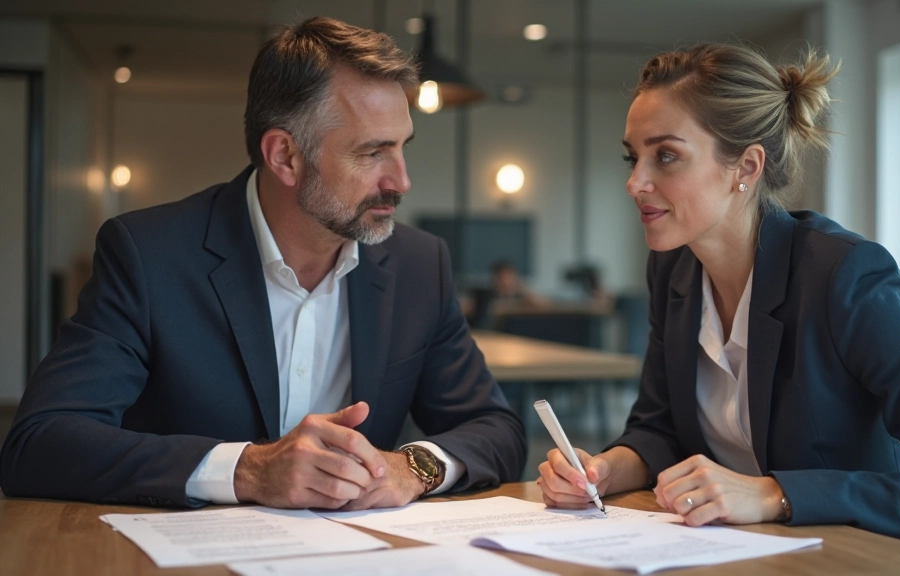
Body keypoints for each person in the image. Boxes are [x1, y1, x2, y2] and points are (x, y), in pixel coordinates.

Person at [0, 17, 525, 510]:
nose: (401, 181)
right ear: (284, 157)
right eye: (372, 153)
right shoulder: (148, 254)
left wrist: (414, 467)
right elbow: (38, 444)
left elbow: (495, 429)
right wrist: (248, 470)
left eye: (403, 147)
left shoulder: (417, 263)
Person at [537, 43, 900, 566]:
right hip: (765, 558)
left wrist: (773, 494)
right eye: (634, 157)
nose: (635, 182)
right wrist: (606, 469)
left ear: (746, 166)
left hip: (896, 559)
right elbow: (659, 429)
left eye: (666, 155)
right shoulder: (673, 270)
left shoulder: (845, 277)